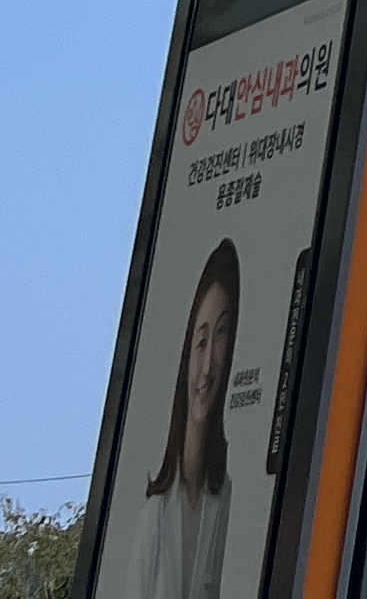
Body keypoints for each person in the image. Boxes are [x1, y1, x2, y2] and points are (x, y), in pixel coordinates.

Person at [132, 240, 240, 599]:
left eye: (221, 335)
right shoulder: (154, 517)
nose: (207, 368)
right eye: (202, 341)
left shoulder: (222, 497)